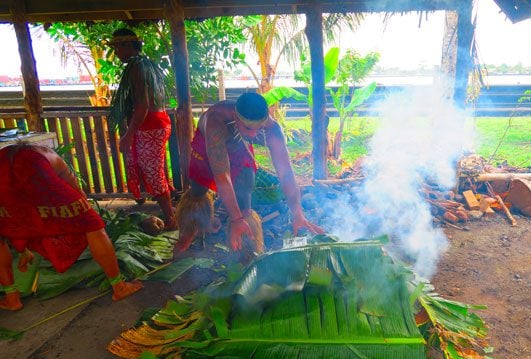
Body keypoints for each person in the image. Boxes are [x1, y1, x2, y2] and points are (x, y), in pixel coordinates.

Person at [174, 92, 323, 256]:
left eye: (259, 128)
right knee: (197, 190)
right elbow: (222, 176)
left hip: (239, 148)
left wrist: (298, 214)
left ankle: (247, 253)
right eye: (248, 128)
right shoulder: (216, 122)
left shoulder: (272, 130)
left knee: (245, 192)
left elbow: (286, 173)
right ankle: (188, 233)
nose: (253, 134)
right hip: (207, 148)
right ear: (235, 118)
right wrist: (236, 220)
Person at [0, 144, 143, 311]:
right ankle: (119, 287)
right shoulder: (52, 158)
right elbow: (76, 190)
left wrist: (22, 247)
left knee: (3, 230)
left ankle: (12, 297)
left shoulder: (12, 155)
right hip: (36, 175)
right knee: (93, 225)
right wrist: (85, 210)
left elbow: (20, 216)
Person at [107, 28, 177, 230]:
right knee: (156, 170)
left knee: (154, 173)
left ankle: (171, 219)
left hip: (150, 125)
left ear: (127, 46)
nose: (117, 53)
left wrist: (129, 135)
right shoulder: (147, 64)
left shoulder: (138, 67)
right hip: (157, 123)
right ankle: (170, 213)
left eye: (118, 47)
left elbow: (143, 105)